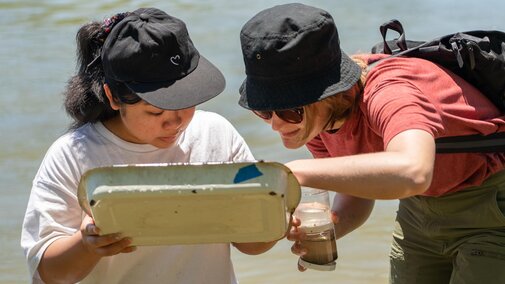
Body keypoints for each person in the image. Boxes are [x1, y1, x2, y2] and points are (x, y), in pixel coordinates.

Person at [238, 3, 505, 283]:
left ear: (327, 96)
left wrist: (295, 172)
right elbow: (358, 190)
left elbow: (413, 171)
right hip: (419, 211)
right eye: (264, 110)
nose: (276, 124)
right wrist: (332, 226)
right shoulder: (316, 121)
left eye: (289, 111)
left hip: (489, 205)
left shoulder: (392, 92)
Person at [21, 7, 275, 284]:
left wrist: (275, 218)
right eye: (156, 112)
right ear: (113, 98)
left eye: (186, 103)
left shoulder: (216, 133)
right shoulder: (73, 154)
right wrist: (86, 246)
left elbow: (252, 244)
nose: (175, 122)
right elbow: (47, 271)